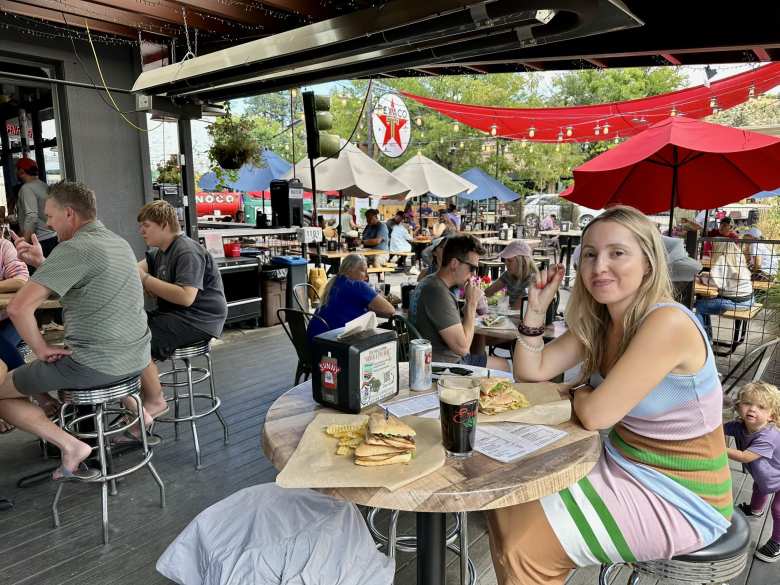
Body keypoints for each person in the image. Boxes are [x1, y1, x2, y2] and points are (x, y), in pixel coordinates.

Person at [488, 205, 731, 585]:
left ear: (648, 264)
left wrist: (583, 392)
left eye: (617, 253)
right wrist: (535, 310)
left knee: (526, 545)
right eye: (590, 254)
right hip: (620, 461)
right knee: (504, 497)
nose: (599, 266)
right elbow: (531, 372)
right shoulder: (602, 322)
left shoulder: (667, 322)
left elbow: (597, 416)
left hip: (682, 494)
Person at [0, 181, 152, 480]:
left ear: (69, 214)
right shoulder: (118, 242)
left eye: (51, 216)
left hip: (95, 366)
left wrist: (42, 350)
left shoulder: (74, 249)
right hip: (135, 362)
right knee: (33, 371)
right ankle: (137, 412)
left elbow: (18, 308)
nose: (47, 223)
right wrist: (43, 263)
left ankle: (71, 446)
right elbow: (83, 286)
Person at [135, 200, 228, 440]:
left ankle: (154, 401)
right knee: (126, 329)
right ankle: (138, 407)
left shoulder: (186, 250)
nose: (141, 231)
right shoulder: (160, 252)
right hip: (177, 315)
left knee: (136, 340)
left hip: (199, 318)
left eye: (146, 225)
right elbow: (135, 269)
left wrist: (146, 281)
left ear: (164, 225)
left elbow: (186, 297)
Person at [411, 235, 503, 368]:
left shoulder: (430, 281)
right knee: (506, 365)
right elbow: (463, 348)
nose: (473, 275)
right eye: (472, 268)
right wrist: (471, 304)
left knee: (478, 347)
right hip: (443, 366)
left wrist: (467, 308)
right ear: (454, 264)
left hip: (428, 359)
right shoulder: (438, 292)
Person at [0, 237, 56, 435]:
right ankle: (40, 396)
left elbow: (21, 280)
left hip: (7, 320)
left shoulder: (3, 246)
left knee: (2, 344)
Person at [724, 381, 780, 563]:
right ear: (739, 406)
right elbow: (718, 427)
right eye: (748, 403)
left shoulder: (768, 436)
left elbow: (744, 456)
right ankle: (755, 510)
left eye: (761, 407)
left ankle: (777, 542)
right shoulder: (740, 426)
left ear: (771, 416)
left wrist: (717, 448)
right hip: (767, 475)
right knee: (760, 487)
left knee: (778, 510)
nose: (752, 409)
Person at [306, 254, 395, 343]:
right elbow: (390, 311)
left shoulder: (335, 282)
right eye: (363, 271)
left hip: (314, 340)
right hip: (330, 345)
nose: (367, 276)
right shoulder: (356, 285)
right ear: (349, 270)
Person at [695, 241, 754, 339]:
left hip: (736, 302)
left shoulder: (722, 258)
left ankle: (703, 340)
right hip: (748, 300)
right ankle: (707, 338)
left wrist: (700, 278)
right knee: (704, 303)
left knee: (698, 306)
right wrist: (704, 276)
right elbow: (723, 278)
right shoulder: (738, 257)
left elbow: (716, 282)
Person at [15, 158, 57, 258]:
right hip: (52, 238)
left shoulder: (27, 188)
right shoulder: (44, 185)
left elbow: (32, 217)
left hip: (40, 241)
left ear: (21, 172)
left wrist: (23, 244)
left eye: (16, 170)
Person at [482, 241, 539, 309]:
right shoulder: (509, 275)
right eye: (505, 260)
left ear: (522, 262)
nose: (506, 264)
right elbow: (488, 292)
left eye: (510, 261)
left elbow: (516, 307)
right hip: (511, 314)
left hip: (524, 317)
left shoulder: (533, 279)